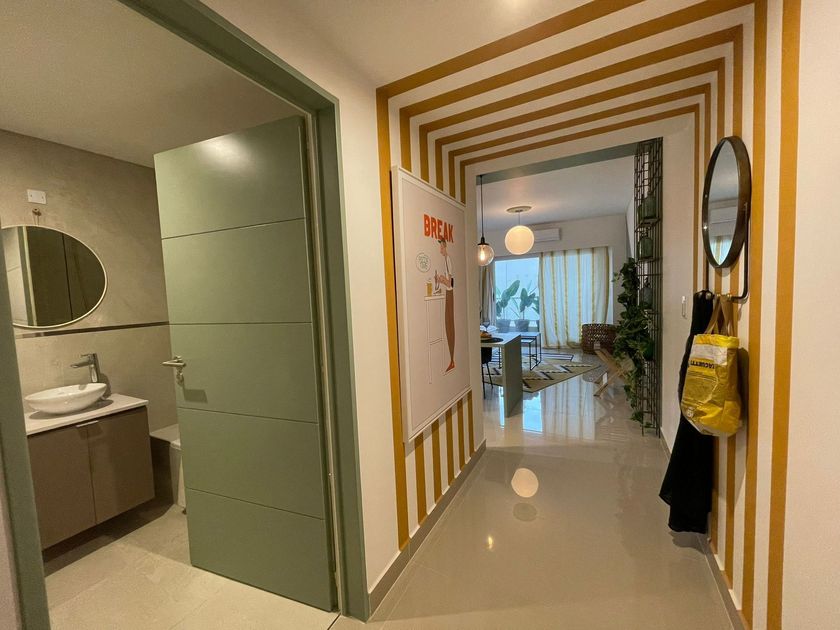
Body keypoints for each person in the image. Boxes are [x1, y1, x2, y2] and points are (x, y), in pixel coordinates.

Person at [435, 238, 455, 372]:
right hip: (448, 293)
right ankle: (451, 359)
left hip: (450, 293)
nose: (440, 250)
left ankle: (452, 360)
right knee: (448, 324)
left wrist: (442, 279)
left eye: (441, 248)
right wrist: (441, 279)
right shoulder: (445, 260)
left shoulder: (448, 260)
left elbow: (450, 283)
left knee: (449, 325)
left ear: (445, 247)